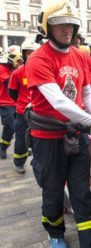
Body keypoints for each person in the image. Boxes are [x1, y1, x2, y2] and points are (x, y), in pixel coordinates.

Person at [26, 1, 91, 247]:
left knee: (82, 193)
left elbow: (86, 91)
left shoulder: (80, 55)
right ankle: (55, 233)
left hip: (77, 136)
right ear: (47, 28)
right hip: (49, 139)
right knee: (53, 192)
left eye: (71, 25)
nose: (67, 30)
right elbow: (58, 101)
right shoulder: (38, 59)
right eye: (60, 25)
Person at [8, 40, 39, 173]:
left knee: (39, 139)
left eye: (34, 53)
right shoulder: (18, 73)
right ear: (24, 54)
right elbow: (12, 92)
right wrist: (23, 103)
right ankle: (19, 162)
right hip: (22, 112)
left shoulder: (42, 71)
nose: (31, 56)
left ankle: (38, 161)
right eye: (28, 53)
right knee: (21, 138)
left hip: (39, 112)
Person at [0, 49, 23, 159]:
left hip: (16, 103)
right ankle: (3, 146)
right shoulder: (2, 69)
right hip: (5, 103)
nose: (20, 63)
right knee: (10, 126)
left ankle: (23, 148)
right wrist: (19, 71)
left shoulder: (14, 70)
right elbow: (9, 83)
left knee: (20, 128)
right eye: (18, 61)